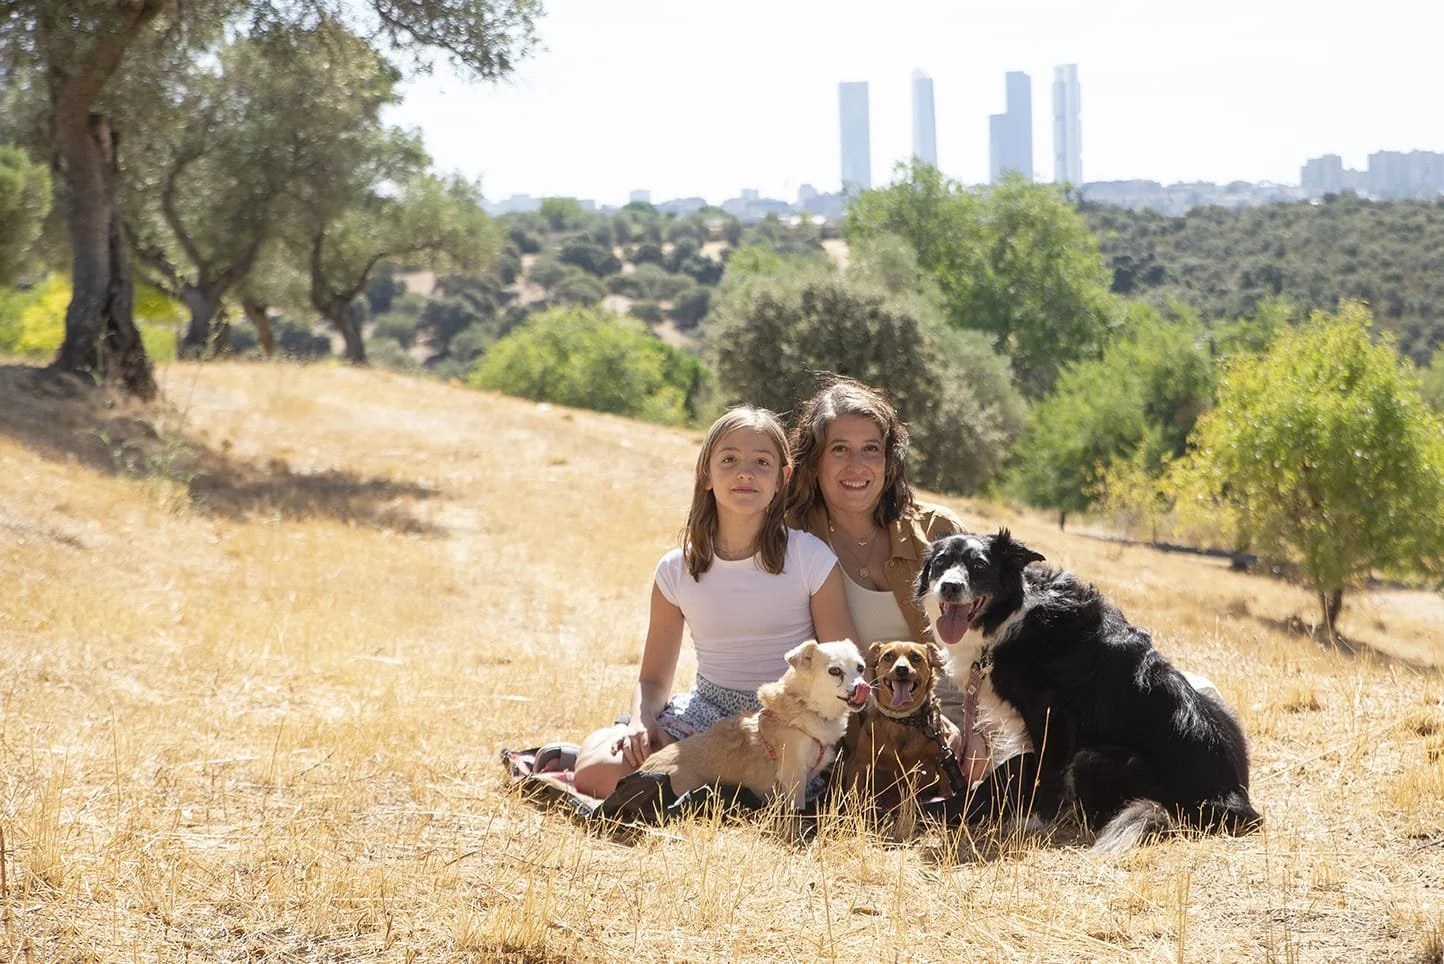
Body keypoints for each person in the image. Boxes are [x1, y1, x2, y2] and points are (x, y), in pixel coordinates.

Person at [571, 406, 858, 800]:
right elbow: (653, 679)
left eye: (761, 462)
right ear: (706, 473)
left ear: (782, 478)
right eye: (729, 460)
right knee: (598, 777)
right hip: (705, 714)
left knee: (765, 798)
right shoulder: (676, 569)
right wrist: (641, 720)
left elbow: (844, 662)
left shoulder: (810, 558)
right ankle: (613, 733)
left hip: (789, 716)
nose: (745, 472)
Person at [783, 377, 971, 730]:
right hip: (847, 731)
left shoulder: (938, 531)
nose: (857, 465)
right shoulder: (790, 538)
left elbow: (985, 652)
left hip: (949, 720)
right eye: (839, 449)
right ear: (814, 462)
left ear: (889, 461)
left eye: (871, 449)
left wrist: (971, 736)